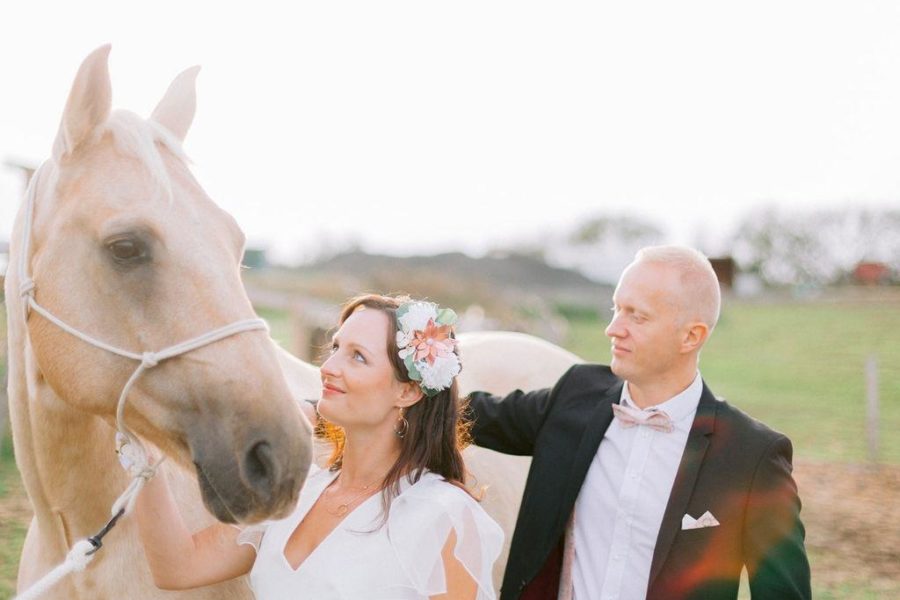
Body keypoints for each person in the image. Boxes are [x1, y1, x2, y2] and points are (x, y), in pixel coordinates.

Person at [467, 246, 811, 600]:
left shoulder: (751, 456)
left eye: (637, 316)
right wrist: (417, 358)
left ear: (691, 336)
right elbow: (471, 413)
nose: (613, 329)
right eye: (617, 309)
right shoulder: (574, 397)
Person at [135, 294, 503, 599]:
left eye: (358, 356)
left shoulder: (443, 516)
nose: (329, 367)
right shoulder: (296, 491)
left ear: (406, 391)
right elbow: (178, 566)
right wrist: (144, 458)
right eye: (336, 347)